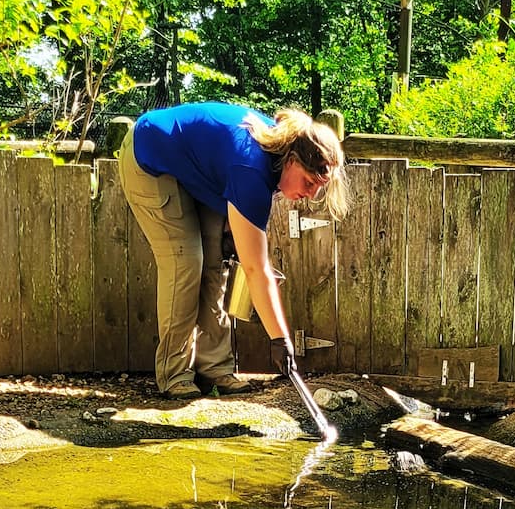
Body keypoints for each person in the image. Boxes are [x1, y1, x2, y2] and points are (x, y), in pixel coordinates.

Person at [120, 101, 348, 398]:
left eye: (318, 187)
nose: (310, 194)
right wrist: (280, 338)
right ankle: (174, 374)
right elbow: (256, 270)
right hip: (150, 155)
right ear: (292, 159)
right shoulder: (251, 167)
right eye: (308, 182)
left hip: (196, 171)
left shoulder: (276, 155)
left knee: (215, 262)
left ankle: (216, 370)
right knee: (186, 262)